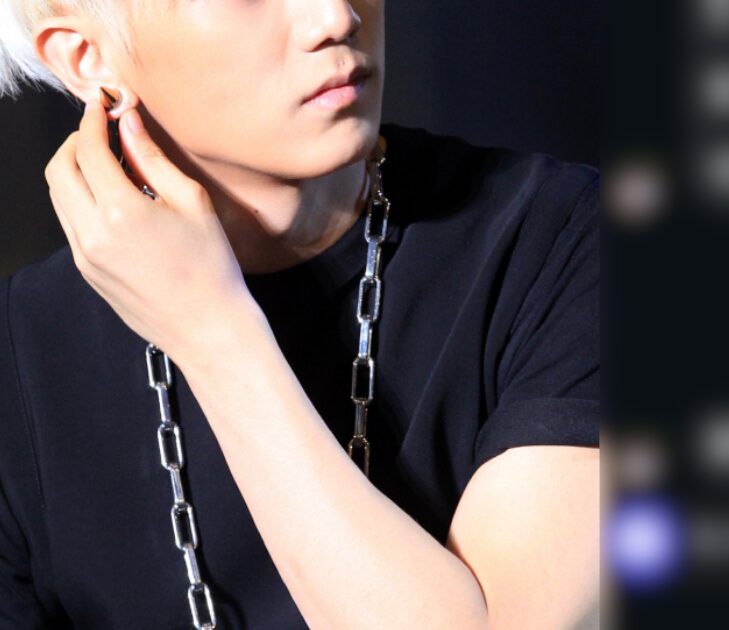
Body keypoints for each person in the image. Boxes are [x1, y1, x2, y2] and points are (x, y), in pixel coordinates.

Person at [0, 0, 601, 627]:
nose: (335, 18)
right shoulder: (19, 368)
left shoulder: (562, 244)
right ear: (87, 59)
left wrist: (216, 336)